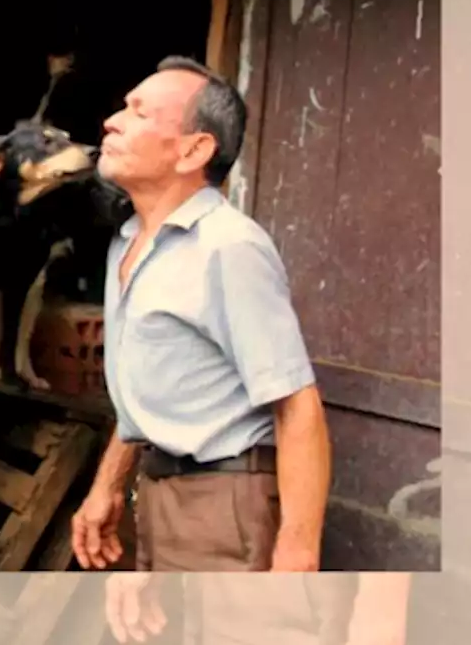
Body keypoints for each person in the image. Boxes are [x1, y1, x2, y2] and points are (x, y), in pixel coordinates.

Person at [72, 55, 331, 573]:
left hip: (226, 503)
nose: (112, 121)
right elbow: (152, 392)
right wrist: (107, 486)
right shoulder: (129, 242)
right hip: (163, 491)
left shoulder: (228, 247)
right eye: (124, 107)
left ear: (195, 150)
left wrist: (298, 552)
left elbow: (298, 407)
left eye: (140, 113)